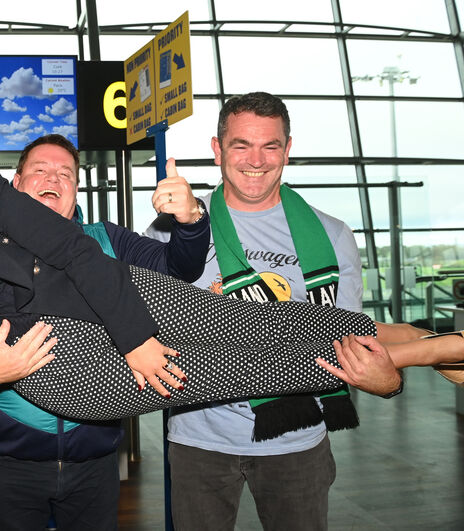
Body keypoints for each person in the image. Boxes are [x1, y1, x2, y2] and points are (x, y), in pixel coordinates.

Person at [0, 101, 462, 425]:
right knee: (248, 369)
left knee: (276, 325)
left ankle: (422, 345)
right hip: (58, 367)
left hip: (115, 297)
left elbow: (71, 248)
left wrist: (133, 332)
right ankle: (436, 349)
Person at [145, 91, 397, 530]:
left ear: (288, 149)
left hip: (297, 441)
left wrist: (391, 379)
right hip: (200, 438)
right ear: (217, 148)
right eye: (241, 145)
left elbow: (352, 337)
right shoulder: (173, 228)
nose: (256, 160)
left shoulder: (333, 235)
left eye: (271, 146)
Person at [0, 133, 209, 530]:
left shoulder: (105, 240)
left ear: (76, 190)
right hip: (10, 465)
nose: (53, 179)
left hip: (94, 463)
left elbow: (178, 268)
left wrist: (191, 219)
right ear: (15, 184)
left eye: (65, 174)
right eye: (40, 170)